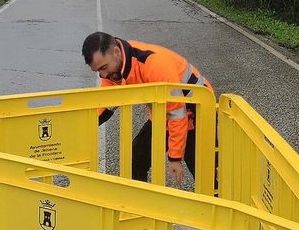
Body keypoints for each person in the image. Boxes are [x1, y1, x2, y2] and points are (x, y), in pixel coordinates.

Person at [82, 31, 213, 186]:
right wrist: (81, 126)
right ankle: (141, 199)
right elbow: (105, 104)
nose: (103, 75)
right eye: (98, 71)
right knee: (135, 161)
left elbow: (177, 113)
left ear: (116, 52)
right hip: (164, 114)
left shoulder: (153, 64)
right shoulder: (114, 70)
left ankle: (217, 199)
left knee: (205, 173)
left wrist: (175, 158)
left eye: (104, 67)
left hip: (198, 112)